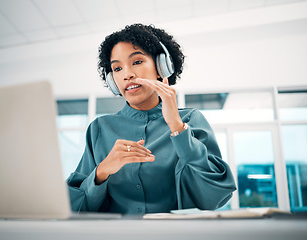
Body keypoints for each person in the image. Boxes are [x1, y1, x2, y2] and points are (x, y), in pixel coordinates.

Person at [67, 23, 236, 214]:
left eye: (137, 62)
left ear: (161, 67)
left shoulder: (190, 119)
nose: (127, 75)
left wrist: (178, 128)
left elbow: (216, 196)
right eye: (117, 68)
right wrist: (102, 171)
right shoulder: (99, 128)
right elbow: (75, 208)